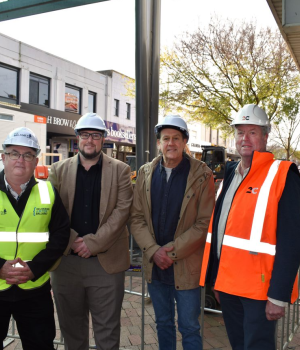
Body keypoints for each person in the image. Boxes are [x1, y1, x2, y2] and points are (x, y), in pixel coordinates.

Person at [200, 104, 300, 350]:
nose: (245, 138)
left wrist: (278, 296)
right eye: (240, 132)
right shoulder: (231, 173)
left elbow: (292, 240)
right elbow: (222, 230)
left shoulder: (283, 174)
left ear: (265, 136)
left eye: (252, 132)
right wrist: (217, 280)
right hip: (229, 286)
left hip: (260, 291)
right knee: (238, 345)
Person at [48, 112, 133, 350]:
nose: (90, 140)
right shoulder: (57, 170)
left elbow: (122, 211)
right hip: (66, 264)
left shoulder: (121, 170)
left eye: (96, 135)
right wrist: (75, 240)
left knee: (107, 333)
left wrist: (92, 244)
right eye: (85, 135)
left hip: (106, 265)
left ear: (103, 139)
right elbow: (53, 212)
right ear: (77, 138)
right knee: (72, 331)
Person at [130, 115, 215, 350]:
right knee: (163, 323)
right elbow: (136, 218)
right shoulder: (145, 173)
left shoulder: (202, 174)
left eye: (176, 138)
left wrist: (171, 252)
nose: (171, 143)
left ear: (185, 141)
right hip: (156, 267)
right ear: (158, 143)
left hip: (186, 266)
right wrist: (153, 251)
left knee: (189, 326)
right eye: (166, 138)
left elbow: (204, 222)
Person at [0, 127, 70, 350]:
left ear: (36, 160)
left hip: (35, 289)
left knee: (40, 345)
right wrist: (0, 267)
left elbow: (61, 234)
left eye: (27, 154)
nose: (20, 160)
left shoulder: (48, 191)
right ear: (3, 157)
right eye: (14, 153)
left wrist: (35, 268)